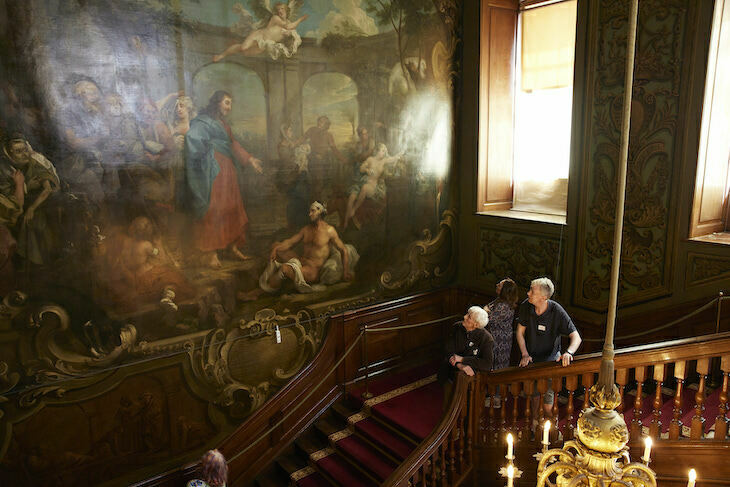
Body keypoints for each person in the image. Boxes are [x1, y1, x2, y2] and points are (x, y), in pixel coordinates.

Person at [182, 90, 263, 268]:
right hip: (212, 170)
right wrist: (207, 150)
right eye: (227, 103)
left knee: (232, 207)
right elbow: (191, 138)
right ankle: (211, 252)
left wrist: (249, 159)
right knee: (214, 209)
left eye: (230, 103)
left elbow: (233, 144)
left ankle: (232, 247)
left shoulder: (223, 124)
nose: (229, 107)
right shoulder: (203, 121)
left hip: (228, 171)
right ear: (217, 103)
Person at [244, 201, 358, 299]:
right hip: (302, 261)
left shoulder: (329, 231)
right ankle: (276, 281)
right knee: (276, 246)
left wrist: (346, 272)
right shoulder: (306, 229)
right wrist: (276, 249)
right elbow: (290, 242)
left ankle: (258, 292)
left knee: (284, 268)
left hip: (313, 271)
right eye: (310, 211)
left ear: (320, 211)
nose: (310, 214)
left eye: (313, 211)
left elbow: (343, 250)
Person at [516, 277, 581, 422]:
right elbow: (520, 332)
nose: (528, 293)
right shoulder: (526, 306)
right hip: (532, 361)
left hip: (550, 362)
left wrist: (568, 352)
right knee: (533, 399)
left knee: (547, 406)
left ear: (543, 297)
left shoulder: (556, 310)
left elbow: (576, 336)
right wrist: (525, 354)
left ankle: (552, 429)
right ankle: (534, 429)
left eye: (532, 291)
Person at [1, 134, 60, 265]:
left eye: (25, 150)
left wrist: (32, 208)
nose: (24, 154)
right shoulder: (7, 167)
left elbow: (48, 189)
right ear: (10, 154)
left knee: (32, 221)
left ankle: (36, 261)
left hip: (46, 200)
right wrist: (25, 186)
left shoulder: (36, 163)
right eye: (18, 151)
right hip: (27, 199)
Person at [212, 2, 308, 61]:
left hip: (265, 43)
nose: (280, 11)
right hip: (259, 35)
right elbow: (288, 26)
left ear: (286, 11)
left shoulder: (289, 24)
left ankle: (235, 45)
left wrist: (289, 34)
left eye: (282, 9)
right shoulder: (276, 18)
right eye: (278, 9)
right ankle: (221, 55)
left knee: (246, 53)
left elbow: (292, 36)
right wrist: (301, 19)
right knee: (243, 48)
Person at [343, 143, 402, 229]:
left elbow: (394, 158)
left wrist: (401, 152)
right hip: (362, 182)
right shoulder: (370, 159)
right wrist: (367, 170)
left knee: (365, 188)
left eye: (385, 151)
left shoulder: (384, 160)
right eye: (382, 150)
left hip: (372, 186)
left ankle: (354, 210)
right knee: (352, 197)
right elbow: (361, 168)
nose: (384, 153)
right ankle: (345, 223)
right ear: (377, 151)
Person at [486, 278, 519, 370]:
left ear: (504, 290)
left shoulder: (504, 306)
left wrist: (486, 311)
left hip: (500, 341)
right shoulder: (498, 301)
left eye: (500, 285)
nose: (497, 285)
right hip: (494, 337)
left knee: (498, 366)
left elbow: (486, 318)